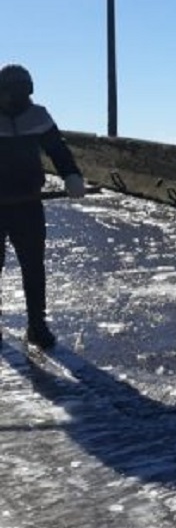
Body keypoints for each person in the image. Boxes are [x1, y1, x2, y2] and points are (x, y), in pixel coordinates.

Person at [0, 63, 85, 349]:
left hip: (28, 201)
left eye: (24, 92)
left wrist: (71, 175)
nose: (19, 99)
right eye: (13, 93)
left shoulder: (38, 116)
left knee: (33, 265)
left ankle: (37, 324)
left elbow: (57, 149)